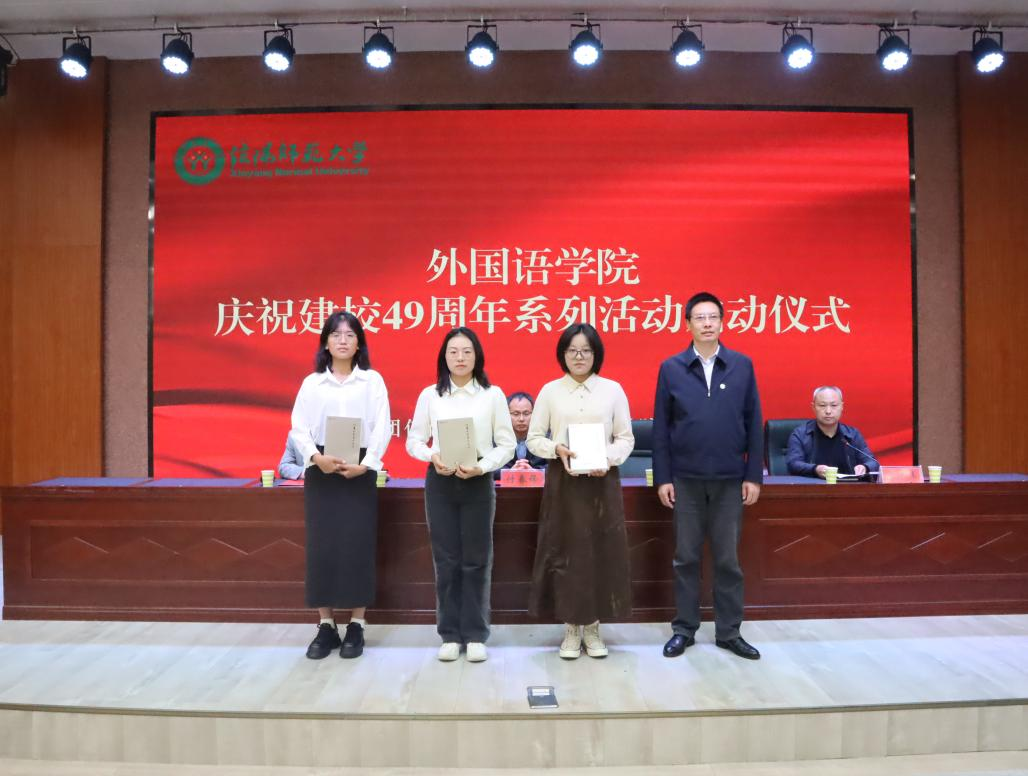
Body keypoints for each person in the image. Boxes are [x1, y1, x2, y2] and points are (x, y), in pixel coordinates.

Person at [653, 291, 763, 661]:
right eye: (699, 318)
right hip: (685, 480)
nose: (706, 323)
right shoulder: (672, 368)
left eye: (712, 317)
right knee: (685, 558)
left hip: (730, 480)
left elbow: (753, 421)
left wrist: (753, 475)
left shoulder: (742, 365)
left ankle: (729, 632)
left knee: (727, 560)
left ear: (722, 322)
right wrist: (663, 478)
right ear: (687, 324)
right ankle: (684, 629)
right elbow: (661, 428)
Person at [406, 327, 516, 663]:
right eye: (453, 351)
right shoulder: (430, 395)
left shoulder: (492, 395)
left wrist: (483, 466)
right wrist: (432, 456)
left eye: (467, 351)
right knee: (446, 559)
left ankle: (476, 633)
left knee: (477, 558)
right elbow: (414, 441)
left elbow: (507, 445)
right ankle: (450, 634)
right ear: (444, 357)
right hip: (440, 481)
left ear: (477, 356)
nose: (460, 358)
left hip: (477, 481)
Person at [527, 323, 634, 659]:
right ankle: (572, 628)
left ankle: (593, 628)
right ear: (563, 354)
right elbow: (534, 438)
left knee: (600, 552)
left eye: (586, 350)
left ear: (595, 354)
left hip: (602, 482)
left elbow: (625, 438)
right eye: (572, 350)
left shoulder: (613, 390)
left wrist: (608, 458)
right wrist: (556, 448)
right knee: (566, 552)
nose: (579, 356)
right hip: (565, 481)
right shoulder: (550, 391)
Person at [289, 310, 391, 660]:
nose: (343, 340)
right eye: (336, 334)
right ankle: (326, 625)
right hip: (322, 468)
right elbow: (298, 427)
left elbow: (382, 427)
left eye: (349, 334)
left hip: (360, 469)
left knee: (357, 545)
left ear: (359, 342)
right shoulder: (312, 383)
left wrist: (368, 464)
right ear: (326, 343)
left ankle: (357, 624)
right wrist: (315, 457)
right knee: (323, 546)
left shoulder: (372, 381)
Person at [786, 386, 879, 478]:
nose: (828, 411)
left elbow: (873, 462)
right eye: (822, 405)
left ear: (842, 406)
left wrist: (865, 467)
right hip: (813, 486)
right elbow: (793, 463)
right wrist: (815, 469)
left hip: (848, 486)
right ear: (813, 407)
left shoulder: (853, 435)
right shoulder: (800, 434)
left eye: (834, 405)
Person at [493, 391, 547, 479]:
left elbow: (554, 468)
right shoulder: (496, 438)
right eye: (516, 414)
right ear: (506, 415)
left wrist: (534, 472)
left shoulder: (545, 437)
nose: (521, 419)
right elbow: (487, 469)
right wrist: (509, 472)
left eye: (526, 413)